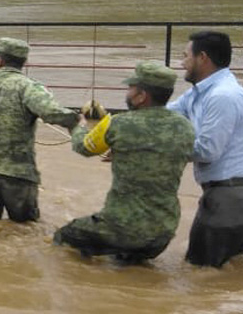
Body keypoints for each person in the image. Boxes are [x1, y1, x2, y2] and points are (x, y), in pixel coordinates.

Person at [54, 62, 195, 263]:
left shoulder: (118, 123)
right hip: (163, 232)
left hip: (121, 227)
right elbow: (166, 153)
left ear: (141, 96)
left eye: (131, 88)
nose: (127, 93)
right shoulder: (185, 127)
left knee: (64, 239)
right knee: (129, 268)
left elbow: (83, 147)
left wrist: (80, 126)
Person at [0, 37, 79, 221]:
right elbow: (53, 114)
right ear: (24, 62)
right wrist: (78, 117)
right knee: (26, 229)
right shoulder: (30, 87)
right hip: (19, 174)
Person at [167, 30, 243, 267]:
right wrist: (119, 125)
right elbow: (165, 114)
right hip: (223, 194)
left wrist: (157, 149)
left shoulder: (223, 96)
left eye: (185, 56)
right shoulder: (200, 92)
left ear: (202, 58)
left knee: (202, 271)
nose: (182, 63)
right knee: (221, 274)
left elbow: (207, 151)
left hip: (230, 196)